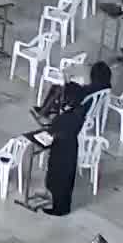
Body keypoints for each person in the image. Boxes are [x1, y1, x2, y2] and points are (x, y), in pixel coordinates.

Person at [42, 82, 87, 215]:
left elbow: (53, 128)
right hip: (71, 147)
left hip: (61, 149)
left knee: (58, 177)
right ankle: (63, 205)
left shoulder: (65, 117)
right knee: (66, 179)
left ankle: (59, 208)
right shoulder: (79, 111)